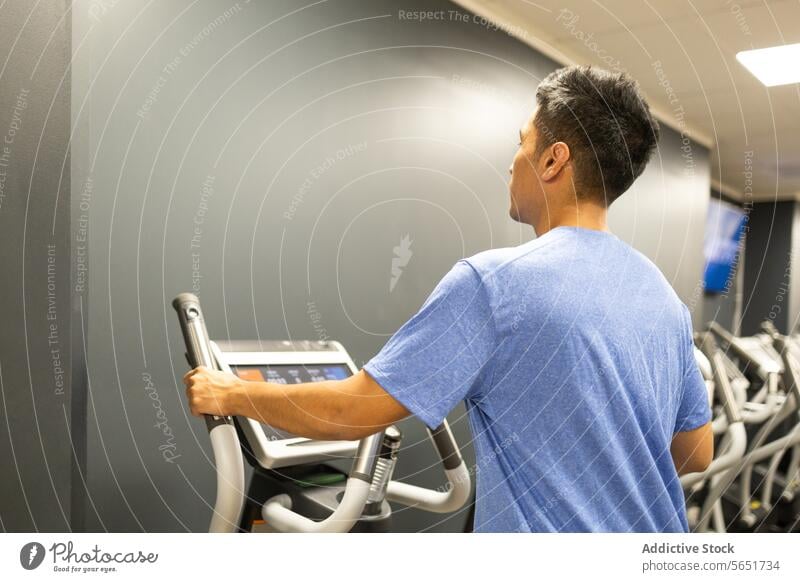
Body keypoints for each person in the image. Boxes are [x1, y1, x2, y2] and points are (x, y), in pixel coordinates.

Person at [184, 65, 713, 532]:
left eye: (522, 142)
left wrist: (231, 394)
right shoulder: (664, 301)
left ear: (553, 161)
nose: (513, 162)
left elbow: (351, 412)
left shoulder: (497, 284)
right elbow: (695, 452)